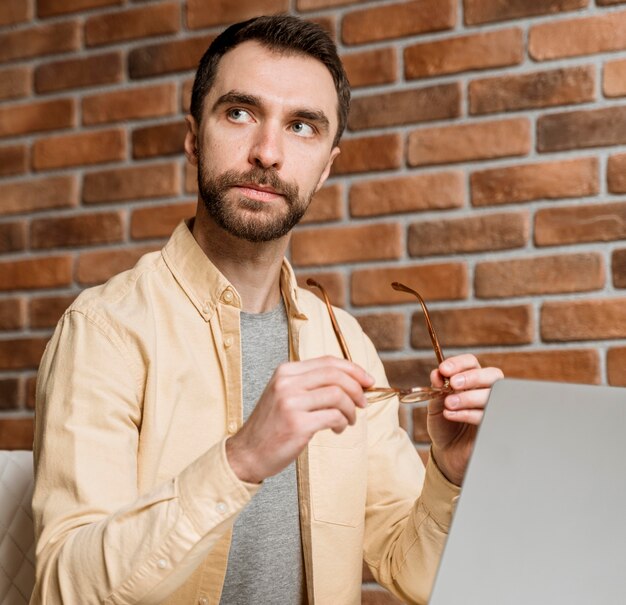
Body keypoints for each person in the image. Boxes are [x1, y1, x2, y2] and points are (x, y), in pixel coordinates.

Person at [31, 15, 503, 605]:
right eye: (239, 113)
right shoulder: (104, 330)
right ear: (194, 137)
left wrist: (451, 475)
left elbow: (412, 573)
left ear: (326, 165)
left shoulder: (346, 343)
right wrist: (242, 458)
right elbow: (60, 588)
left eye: (301, 126)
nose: (268, 153)